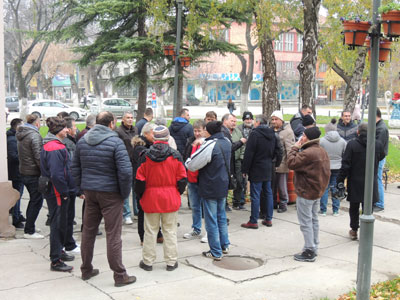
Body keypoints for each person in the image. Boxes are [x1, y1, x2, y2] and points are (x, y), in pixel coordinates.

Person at [72, 111, 136, 286]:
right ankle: (119, 275)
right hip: (111, 193)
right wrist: (124, 193)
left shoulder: (82, 141)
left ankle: (86, 269)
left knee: (88, 232)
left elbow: (75, 167)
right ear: (112, 123)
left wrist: (81, 188)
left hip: (90, 192)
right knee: (113, 235)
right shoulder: (115, 142)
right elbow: (125, 171)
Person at [135, 126, 187, 272]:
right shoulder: (175, 155)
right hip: (170, 197)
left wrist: (141, 196)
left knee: (150, 231)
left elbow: (139, 180)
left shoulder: (145, 156)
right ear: (167, 138)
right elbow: (182, 179)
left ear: (154, 138)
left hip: (151, 198)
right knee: (170, 230)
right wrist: (177, 192)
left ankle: (148, 261)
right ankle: (171, 262)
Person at [186, 121, 231, 260]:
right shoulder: (227, 142)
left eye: (205, 130)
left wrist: (187, 161)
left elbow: (193, 165)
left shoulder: (210, 145)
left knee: (211, 219)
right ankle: (224, 245)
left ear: (209, 132)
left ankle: (215, 251)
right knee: (221, 217)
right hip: (223, 184)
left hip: (210, 185)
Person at [287, 126, 330, 262]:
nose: (302, 138)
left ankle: (309, 250)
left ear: (309, 137)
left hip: (306, 192)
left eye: (304, 136)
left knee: (306, 222)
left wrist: (294, 147)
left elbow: (291, 163)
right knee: (313, 219)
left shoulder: (308, 153)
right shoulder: (321, 151)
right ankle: (313, 246)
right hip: (317, 192)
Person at [336, 123, 385, 240]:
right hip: (370, 181)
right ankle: (366, 229)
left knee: (354, 207)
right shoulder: (377, 144)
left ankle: (354, 229)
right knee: (368, 207)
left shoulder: (352, 145)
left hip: (355, 181)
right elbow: (382, 156)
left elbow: (346, 164)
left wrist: (340, 180)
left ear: (358, 132)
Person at [40, 117, 76, 272]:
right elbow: (56, 174)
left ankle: (59, 251)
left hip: (55, 190)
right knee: (58, 225)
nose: (67, 130)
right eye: (65, 128)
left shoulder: (52, 145)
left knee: (60, 223)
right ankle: (56, 260)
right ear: (58, 131)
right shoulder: (55, 147)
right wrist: (65, 192)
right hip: (57, 192)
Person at [241, 114, 282, 228]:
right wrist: (275, 163)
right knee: (268, 193)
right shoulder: (272, 134)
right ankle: (268, 219)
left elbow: (249, 153)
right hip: (268, 166)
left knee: (256, 195)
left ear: (258, 122)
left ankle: (253, 220)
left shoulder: (254, 134)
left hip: (256, 168)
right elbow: (279, 151)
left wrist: (245, 169)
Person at [130, 123, 163, 245]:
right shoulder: (140, 148)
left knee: (154, 209)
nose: (155, 136)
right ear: (146, 134)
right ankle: (143, 237)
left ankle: (158, 234)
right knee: (143, 210)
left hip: (150, 184)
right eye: (153, 133)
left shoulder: (149, 146)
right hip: (141, 183)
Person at [16, 114, 44, 239]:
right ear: (36, 123)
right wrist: (45, 171)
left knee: (34, 200)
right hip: (33, 173)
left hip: (24, 171)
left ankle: (30, 225)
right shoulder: (34, 135)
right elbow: (38, 157)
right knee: (36, 201)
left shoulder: (22, 134)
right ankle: (29, 230)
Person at [182, 120, 208, 242]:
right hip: (191, 179)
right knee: (195, 206)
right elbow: (186, 157)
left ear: (204, 130)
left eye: (199, 131)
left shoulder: (207, 143)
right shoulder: (190, 142)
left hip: (202, 180)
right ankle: (196, 228)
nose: (197, 133)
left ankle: (209, 231)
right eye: (195, 131)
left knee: (206, 207)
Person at [319, 119, 347, 217]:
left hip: (325, 167)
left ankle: (323, 210)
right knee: (336, 188)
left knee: (325, 188)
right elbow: (345, 155)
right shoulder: (342, 141)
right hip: (338, 167)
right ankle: (336, 210)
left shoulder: (322, 141)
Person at [62, 116, 81, 255]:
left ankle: (67, 242)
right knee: (67, 216)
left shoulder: (69, 142)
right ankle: (68, 244)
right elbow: (72, 167)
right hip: (68, 187)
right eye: (74, 127)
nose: (76, 129)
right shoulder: (68, 145)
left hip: (68, 186)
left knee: (67, 216)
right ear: (68, 130)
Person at [116, 111, 138, 224]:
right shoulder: (119, 131)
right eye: (128, 118)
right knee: (126, 189)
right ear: (123, 119)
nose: (130, 119)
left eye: (131, 117)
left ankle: (137, 211)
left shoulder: (135, 130)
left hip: (135, 162)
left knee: (136, 188)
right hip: (124, 162)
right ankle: (126, 214)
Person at [270, 110, 295, 213]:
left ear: (281, 120)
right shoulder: (271, 130)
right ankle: (274, 202)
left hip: (282, 163)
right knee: (273, 185)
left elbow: (290, 149)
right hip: (272, 163)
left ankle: (283, 203)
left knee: (282, 185)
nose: (274, 121)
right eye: (272, 119)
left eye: (276, 119)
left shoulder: (287, 132)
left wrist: (289, 162)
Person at [221, 113, 246, 211]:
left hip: (237, 160)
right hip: (227, 161)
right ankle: (225, 203)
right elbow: (230, 147)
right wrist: (240, 142)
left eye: (235, 121)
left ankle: (237, 202)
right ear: (225, 121)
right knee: (226, 182)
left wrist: (241, 156)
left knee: (239, 181)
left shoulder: (238, 131)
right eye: (232, 121)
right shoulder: (223, 132)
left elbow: (243, 147)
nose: (234, 123)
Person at [232, 112, 254, 210]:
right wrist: (241, 157)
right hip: (240, 158)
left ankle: (244, 200)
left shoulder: (255, 129)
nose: (248, 121)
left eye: (250, 119)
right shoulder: (238, 130)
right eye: (246, 119)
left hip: (252, 158)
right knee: (240, 181)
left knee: (248, 181)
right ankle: (238, 201)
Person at [7, 118, 25, 229]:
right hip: (16, 173)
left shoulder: (15, 138)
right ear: (17, 127)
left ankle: (17, 213)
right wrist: (25, 158)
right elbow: (13, 156)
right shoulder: (12, 140)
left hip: (17, 171)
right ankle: (16, 218)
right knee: (17, 195)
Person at [374, 108, 389, 212]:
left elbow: (378, 145)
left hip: (379, 158)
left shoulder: (381, 128)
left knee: (378, 179)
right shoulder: (378, 126)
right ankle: (377, 201)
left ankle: (380, 203)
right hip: (378, 157)